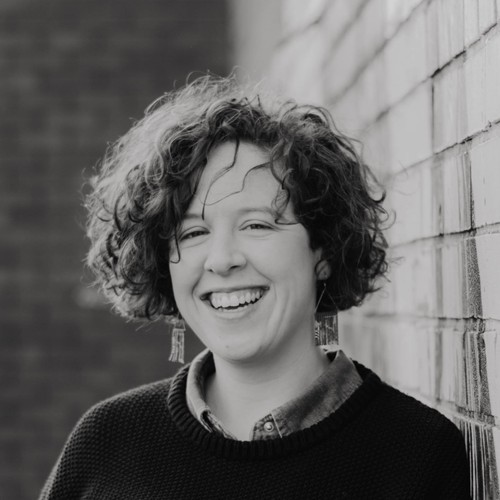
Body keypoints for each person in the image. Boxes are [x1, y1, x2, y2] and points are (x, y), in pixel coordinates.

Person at [40, 75, 470, 499]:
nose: (222, 258)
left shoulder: (417, 453)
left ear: (323, 250)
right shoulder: (106, 443)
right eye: (193, 233)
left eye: (256, 225)